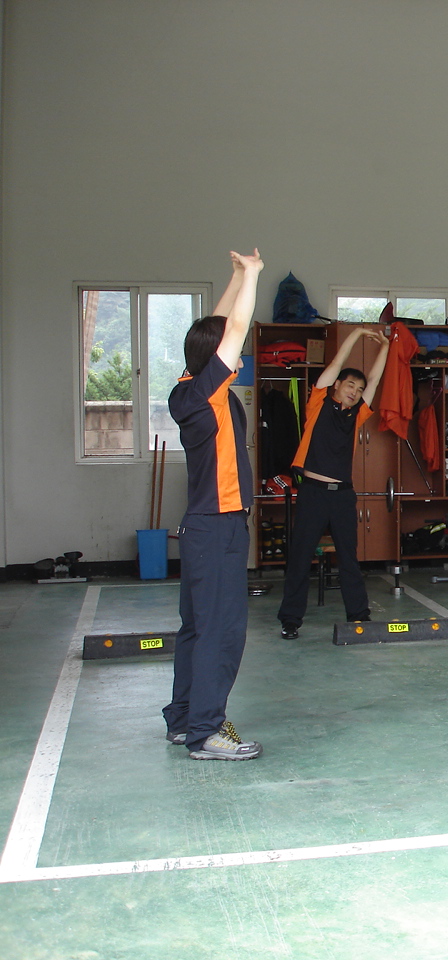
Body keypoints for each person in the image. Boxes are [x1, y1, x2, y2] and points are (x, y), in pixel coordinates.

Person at [163, 249, 265, 760]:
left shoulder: (188, 387)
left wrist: (235, 275)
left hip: (200, 527)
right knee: (222, 630)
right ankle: (206, 731)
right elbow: (234, 329)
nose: (240, 356)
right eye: (231, 350)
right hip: (219, 525)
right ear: (216, 357)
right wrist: (255, 277)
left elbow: (215, 329)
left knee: (197, 627)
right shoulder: (209, 393)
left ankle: (184, 719)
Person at [277, 327, 390, 639]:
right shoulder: (318, 404)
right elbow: (336, 364)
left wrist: (385, 346)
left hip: (342, 495)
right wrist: (357, 334)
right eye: (350, 385)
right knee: (301, 558)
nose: (354, 391)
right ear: (337, 385)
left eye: (358, 389)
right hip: (313, 493)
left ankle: (359, 616)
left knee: (349, 558)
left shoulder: (357, 415)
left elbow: (375, 379)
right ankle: (290, 620)